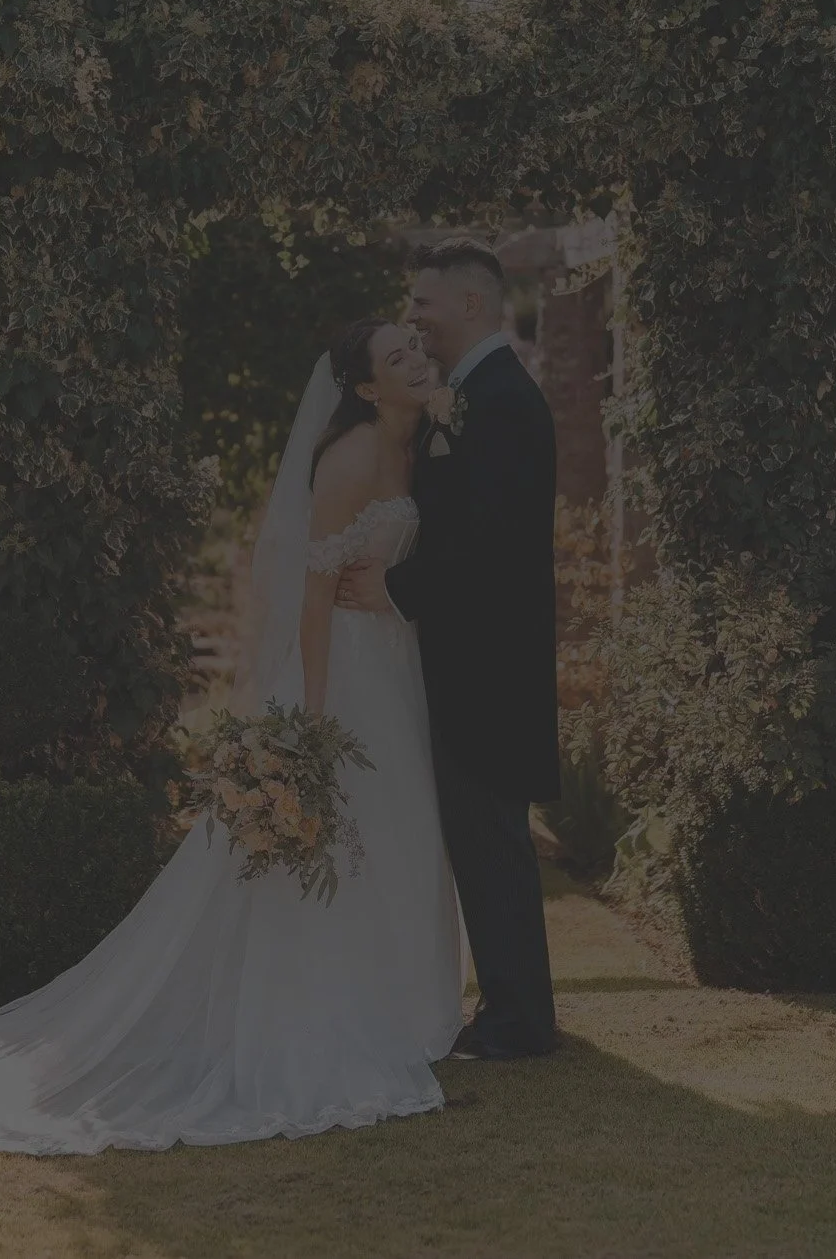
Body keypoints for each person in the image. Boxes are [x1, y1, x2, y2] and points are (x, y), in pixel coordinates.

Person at [0, 319, 463, 1153]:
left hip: (394, 664)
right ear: (367, 389)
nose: (417, 358)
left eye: (417, 347)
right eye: (397, 356)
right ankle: (326, 1017)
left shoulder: (429, 439)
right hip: (342, 677)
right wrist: (315, 716)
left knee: (401, 833)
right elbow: (310, 598)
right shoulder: (348, 458)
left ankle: (406, 1008)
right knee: (332, 846)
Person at [339, 236, 560, 1060]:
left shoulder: (500, 401)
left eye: (424, 304)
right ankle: (514, 1006)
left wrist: (394, 590)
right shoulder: (477, 394)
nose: (415, 319)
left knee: (491, 840)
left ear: (471, 304)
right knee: (483, 840)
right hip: (472, 660)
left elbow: (480, 542)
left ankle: (520, 1020)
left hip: (487, 666)